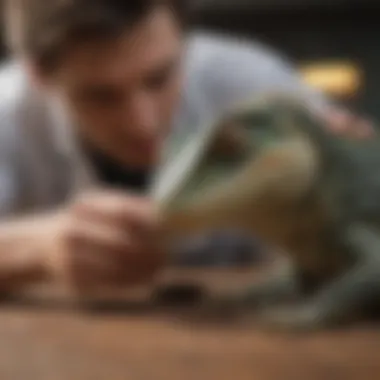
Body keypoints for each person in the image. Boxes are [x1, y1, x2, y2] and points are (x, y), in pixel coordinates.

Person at [0, 0, 371, 297]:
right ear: (37, 75)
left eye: (159, 78)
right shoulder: (7, 110)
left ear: (183, 39)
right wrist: (35, 248)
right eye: (101, 96)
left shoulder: (253, 84)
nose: (142, 123)